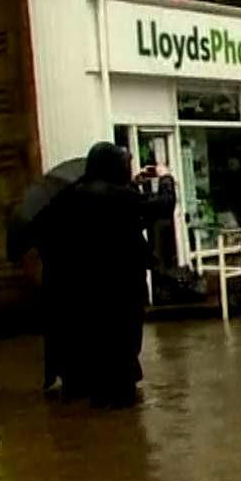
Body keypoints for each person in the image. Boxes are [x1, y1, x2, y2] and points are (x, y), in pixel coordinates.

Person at [45, 142, 174, 407]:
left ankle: (97, 391)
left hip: (87, 283)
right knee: (125, 337)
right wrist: (166, 178)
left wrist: (132, 184)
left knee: (99, 336)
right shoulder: (119, 196)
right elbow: (163, 206)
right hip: (122, 281)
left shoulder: (75, 195)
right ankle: (120, 399)